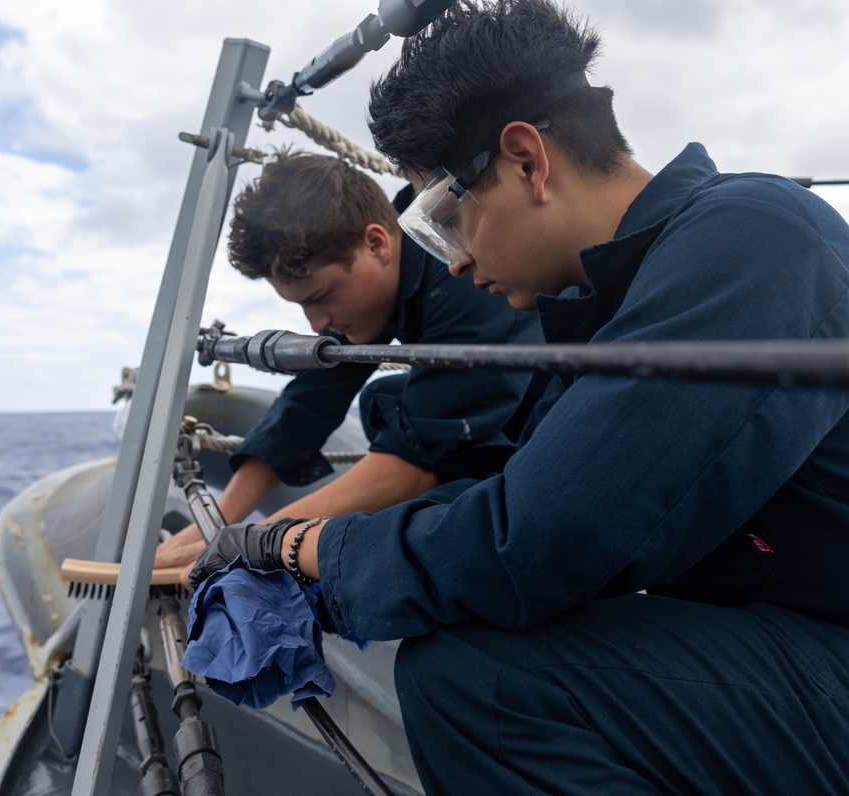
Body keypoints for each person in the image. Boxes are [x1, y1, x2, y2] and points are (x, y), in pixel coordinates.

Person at [189, 1, 849, 793]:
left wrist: (292, 549)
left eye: (446, 219)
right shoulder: (611, 297)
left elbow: (537, 540)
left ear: (527, 162)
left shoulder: (753, 242)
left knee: (481, 682)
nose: (456, 263)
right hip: (791, 619)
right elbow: (526, 495)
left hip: (822, 632)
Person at [155, 149, 546, 571]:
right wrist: (218, 522)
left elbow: (418, 460)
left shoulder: (458, 265)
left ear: (376, 243)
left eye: (320, 298)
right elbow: (311, 399)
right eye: (302, 306)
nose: (317, 322)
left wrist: (251, 543)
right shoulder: (384, 264)